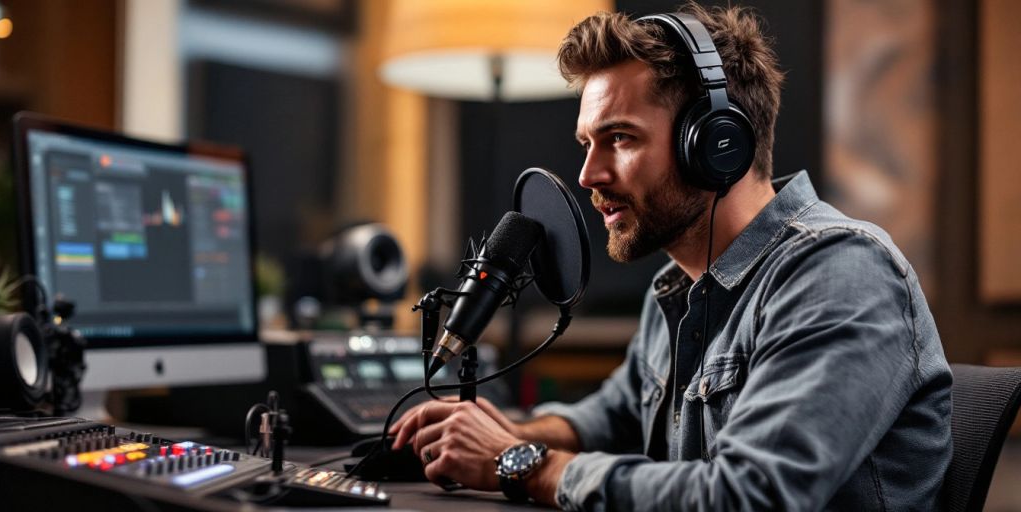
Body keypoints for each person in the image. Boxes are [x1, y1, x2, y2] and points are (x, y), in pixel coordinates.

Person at [389, 4, 952, 510]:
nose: (589, 176)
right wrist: (504, 430)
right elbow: (614, 413)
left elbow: (750, 495)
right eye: (589, 143)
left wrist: (523, 465)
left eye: (622, 139)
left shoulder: (840, 273)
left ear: (715, 143)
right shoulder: (680, 284)